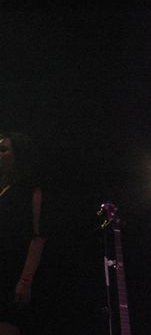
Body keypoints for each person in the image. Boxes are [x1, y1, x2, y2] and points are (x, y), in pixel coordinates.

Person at [0, 133, 46, 335]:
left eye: (4, 149)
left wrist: (25, 280)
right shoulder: (4, 186)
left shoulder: (31, 191)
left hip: (12, 270)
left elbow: (38, 236)